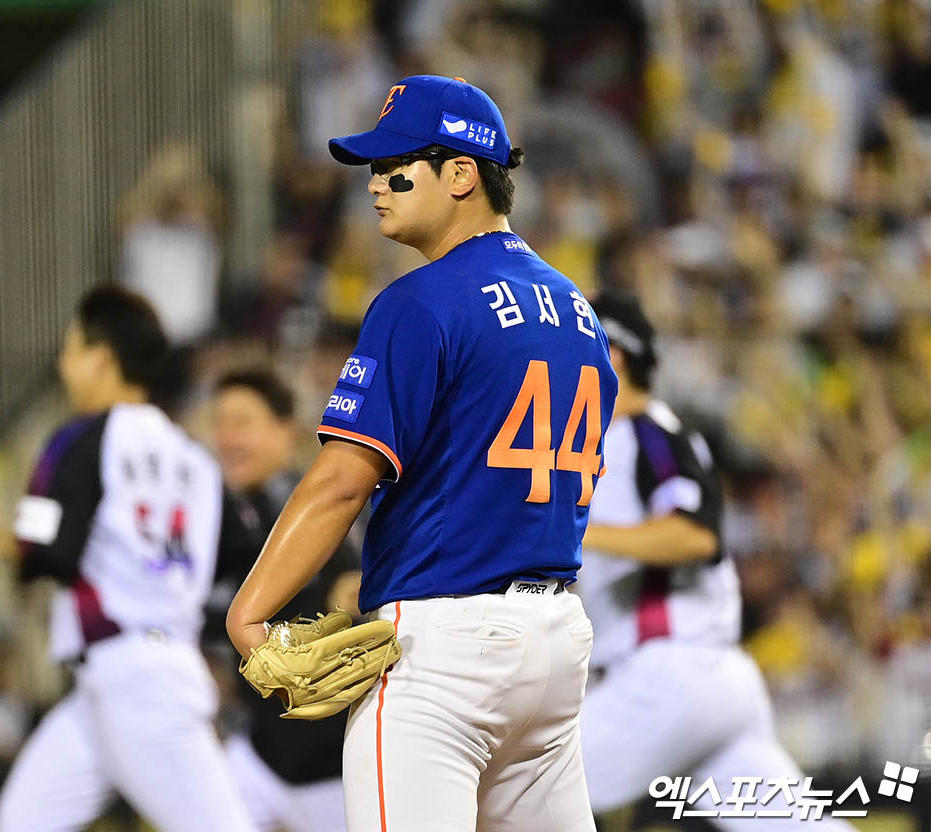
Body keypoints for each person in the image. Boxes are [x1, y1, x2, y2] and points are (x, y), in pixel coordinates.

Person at [227, 75, 617, 832]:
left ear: (463, 174)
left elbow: (343, 480)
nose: (376, 184)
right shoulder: (579, 310)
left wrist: (251, 615)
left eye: (397, 164)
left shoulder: (420, 301)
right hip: (557, 639)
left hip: (445, 649)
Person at [578, 291, 855, 829]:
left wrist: (577, 528)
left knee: (504, 788)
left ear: (613, 355)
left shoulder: (650, 434)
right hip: (708, 684)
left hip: (669, 674)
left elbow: (694, 536)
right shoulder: (613, 440)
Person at [0, 286, 252, 832]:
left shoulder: (79, 439)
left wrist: (10, 544)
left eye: (72, 348)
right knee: (22, 822)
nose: (64, 364)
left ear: (102, 359)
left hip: (138, 681)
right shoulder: (195, 457)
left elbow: (47, 551)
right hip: (124, 676)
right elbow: (238, 552)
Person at [211, 368, 361, 832]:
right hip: (259, 756)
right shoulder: (230, 516)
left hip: (333, 770)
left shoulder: (324, 506)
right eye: (219, 423)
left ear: (285, 431)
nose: (227, 437)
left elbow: (355, 586)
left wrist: (356, 594)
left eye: (243, 422)